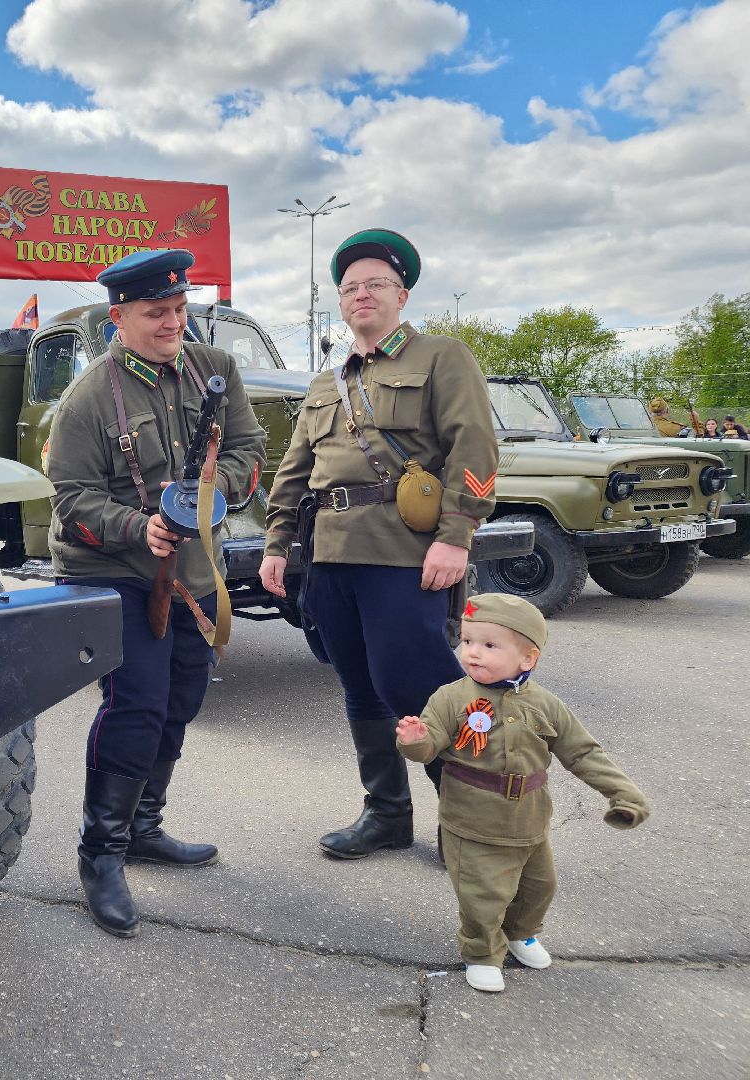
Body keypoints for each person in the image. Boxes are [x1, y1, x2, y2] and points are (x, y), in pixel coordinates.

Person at [258, 227, 499, 860]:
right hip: (332, 555)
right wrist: (278, 543)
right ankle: (387, 813)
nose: (361, 295)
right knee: (360, 686)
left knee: (417, 685)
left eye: (376, 284)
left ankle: (475, 819)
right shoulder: (324, 382)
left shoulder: (442, 358)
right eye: (349, 287)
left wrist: (457, 536)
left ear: (402, 294)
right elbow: (294, 471)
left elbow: (474, 449)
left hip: (405, 555)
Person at [46, 248, 266, 938]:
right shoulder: (86, 398)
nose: (174, 322)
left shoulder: (216, 370)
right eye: (157, 313)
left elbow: (249, 452)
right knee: (137, 705)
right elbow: (70, 499)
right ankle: (100, 854)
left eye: (180, 309)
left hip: (190, 565)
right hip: (111, 568)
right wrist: (139, 526)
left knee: (183, 697)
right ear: (119, 318)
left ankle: (145, 827)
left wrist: (205, 497)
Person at [396, 593, 649, 993]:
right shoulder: (450, 698)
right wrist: (414, 741)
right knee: (483, 894)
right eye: (467, 641)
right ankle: (481, 952)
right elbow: (429, 748)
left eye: (489, 644)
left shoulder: (545, 704)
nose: (472, 652)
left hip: (529, 819)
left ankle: (521, 934)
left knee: (539, 886)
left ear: (528, 658)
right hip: (472, 819)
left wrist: (624, 794)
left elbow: (582, 751)